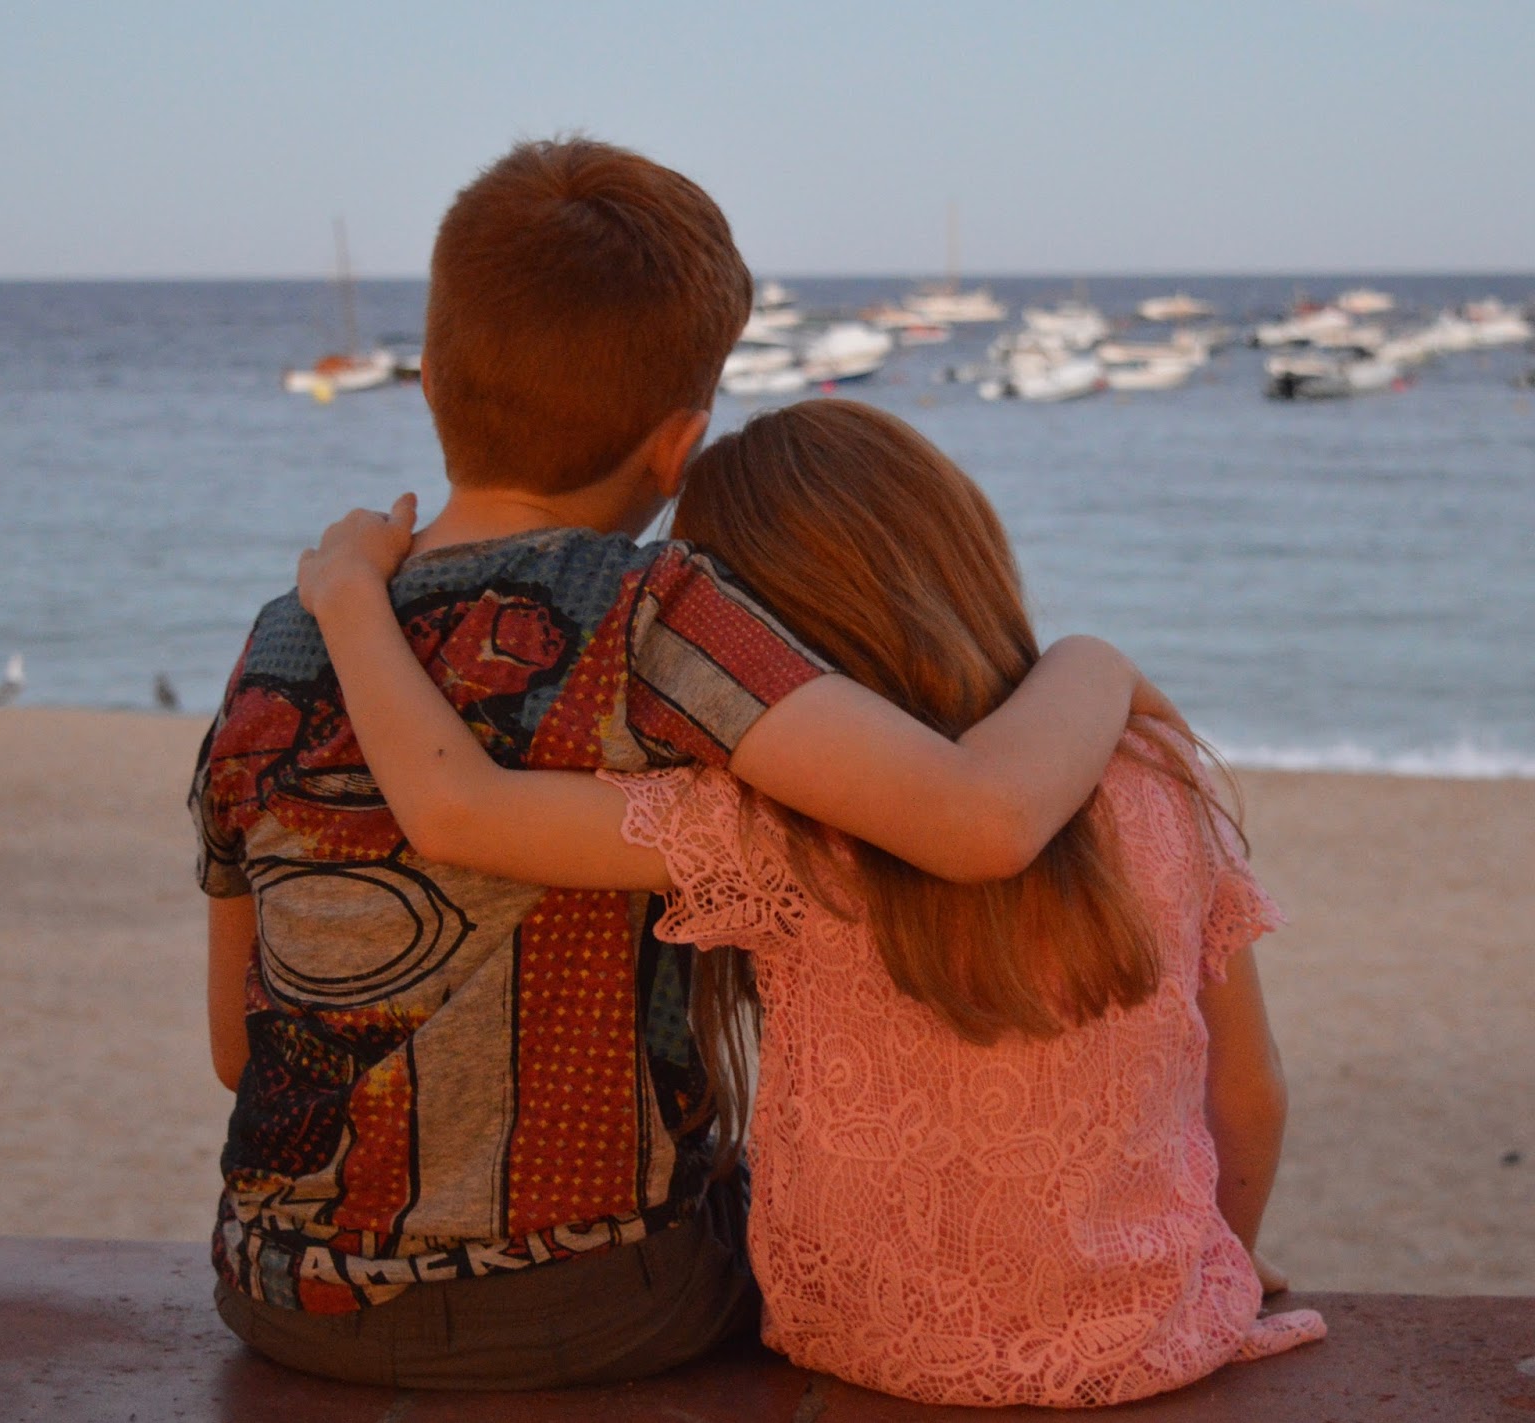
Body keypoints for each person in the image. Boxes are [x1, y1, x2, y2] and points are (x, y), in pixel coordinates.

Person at [190, 140, 1163, 1389]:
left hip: (279, 1293)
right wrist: (1093, 661)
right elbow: (974, 820)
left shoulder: (284, 641)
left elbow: (241, 1050)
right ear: (680, 445)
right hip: (593, 1297)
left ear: (430, 382)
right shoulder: (655, 613)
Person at [295, 398, 1327, 1409]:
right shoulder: (1153, 781)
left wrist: (349, 600)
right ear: (962, 547)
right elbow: (1250, 1092)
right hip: (1147, 1337)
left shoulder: (769, 829)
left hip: (867, 1341)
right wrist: (1220, 1261)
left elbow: (457, 810)